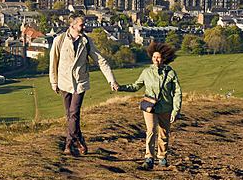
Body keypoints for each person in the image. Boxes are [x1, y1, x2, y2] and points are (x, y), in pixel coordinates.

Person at [49, 13, 118, 156]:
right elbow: (53, 63)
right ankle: (80, 141)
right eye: (81, 24)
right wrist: (53, 82)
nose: (84, 26)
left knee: (74, 113)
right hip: (64, 82)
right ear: (72, 25)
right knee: (69, 115)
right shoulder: (59, 40)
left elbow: (100, 60)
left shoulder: (86, 41)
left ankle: (69, 144)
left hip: (80, 82)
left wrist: (111, 79)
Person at [119, 41, 183, 170]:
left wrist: (176, 110)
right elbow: (136, 86)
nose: (156, 59)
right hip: (150, 107)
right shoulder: (146, 72)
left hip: (166, 107)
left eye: (158, 57)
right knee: (151, 131)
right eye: (154, 57)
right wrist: (120, 87)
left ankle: (162, 157)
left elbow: (177, 92)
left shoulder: (171, 73)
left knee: (164, 133)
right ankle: (149, 158)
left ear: (164, 58)